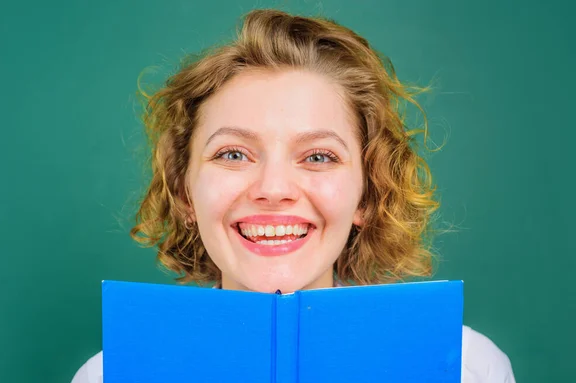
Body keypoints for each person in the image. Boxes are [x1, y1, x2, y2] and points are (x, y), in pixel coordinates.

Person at [71, 9, 515, 383]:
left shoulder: (467, 367)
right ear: (185, 193)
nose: (273, 189)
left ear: (365, 196)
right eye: (233, 153)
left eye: (319, 156)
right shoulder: (107, 376)